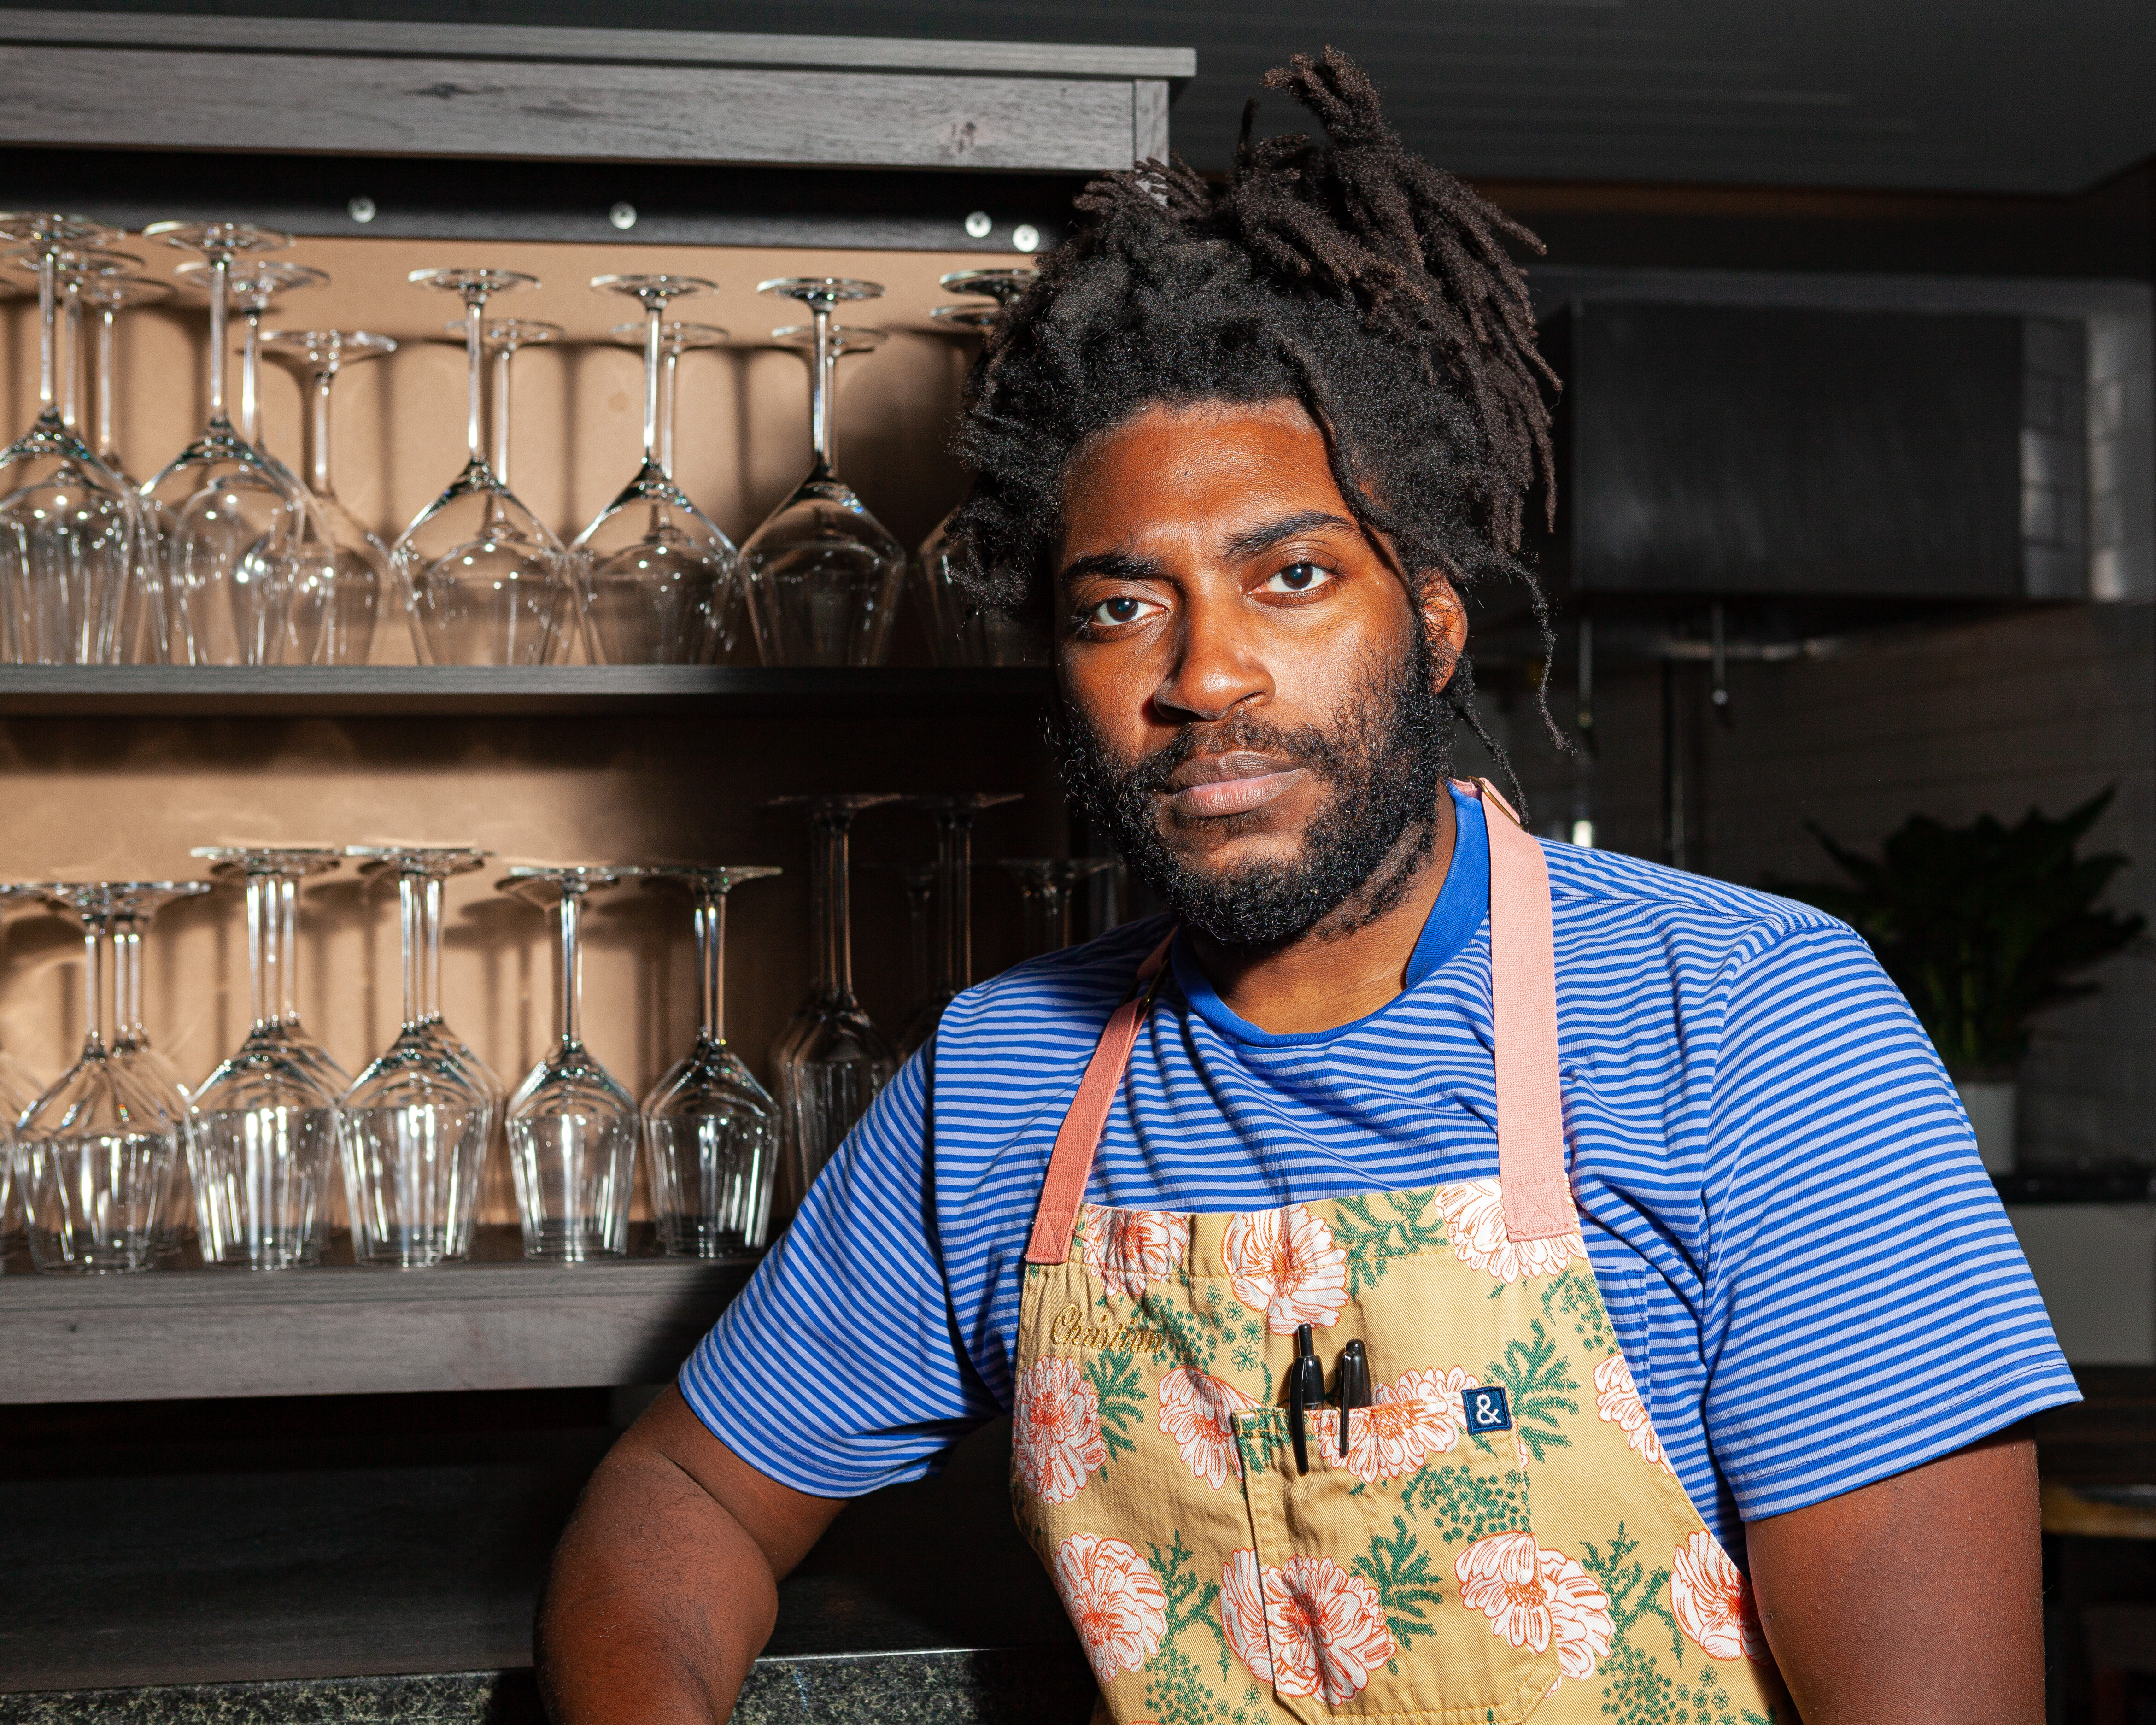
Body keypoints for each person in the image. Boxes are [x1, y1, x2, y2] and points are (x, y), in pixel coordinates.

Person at [539, 50, 2074, 1725]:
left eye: (1291, 577)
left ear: (1430, 613)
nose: (1208, 675)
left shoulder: (1751, 1031)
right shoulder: (999, 1086)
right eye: (1120, 606)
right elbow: (681, 1504)